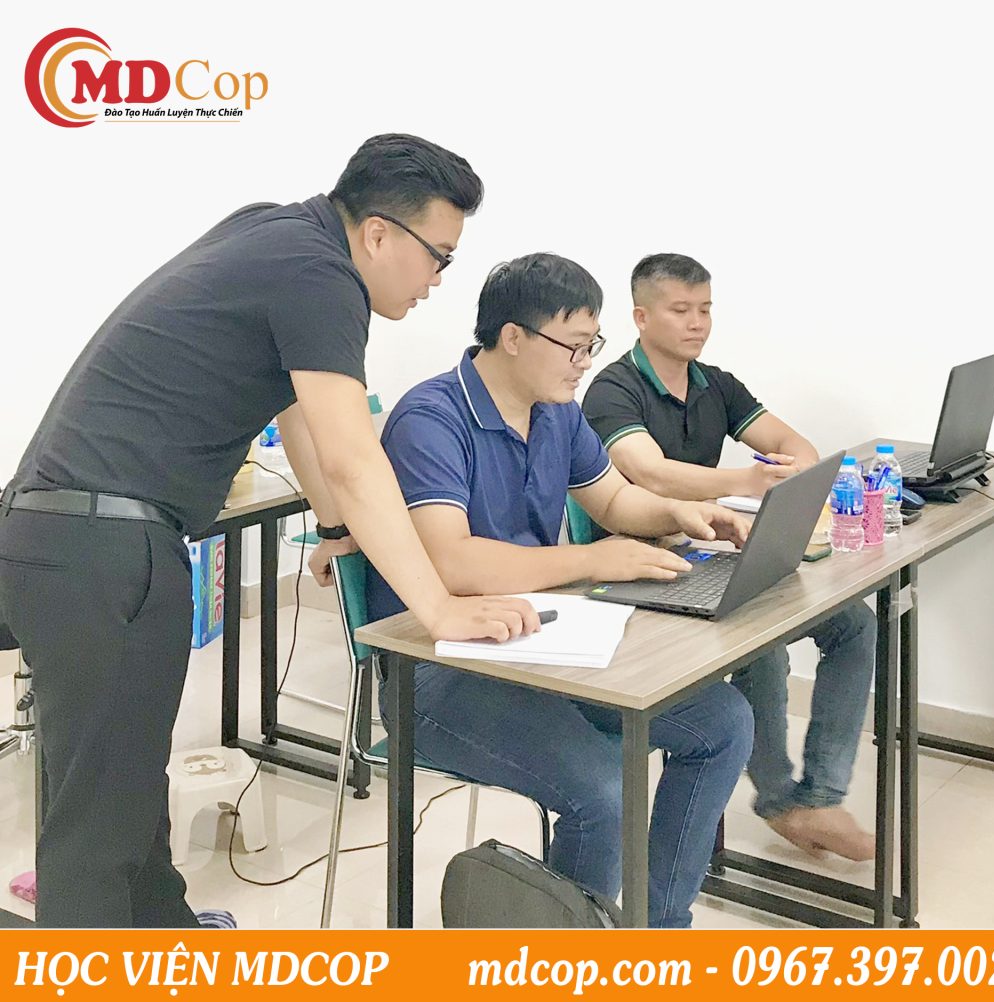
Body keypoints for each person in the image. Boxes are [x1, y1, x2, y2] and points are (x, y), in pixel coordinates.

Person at [0, 134, 538, 928]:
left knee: (126, 796)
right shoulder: (322, 276)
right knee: (97, 838)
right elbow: (353, 455)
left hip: (59, 536)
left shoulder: (273, 231)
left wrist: (332, 523)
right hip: (105, 552)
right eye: (439, 257)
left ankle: (168, 938)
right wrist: (439, 607)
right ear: (379, 233)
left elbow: (295, 410)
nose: (436, 281)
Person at [360, 253, 755, 928]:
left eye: (592, 345)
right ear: (514, 337)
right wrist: (595, 557)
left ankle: (656, 929)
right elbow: (452, 564)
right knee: (603, 790)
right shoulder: (431, 417)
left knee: (722, 723)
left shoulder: (556, 411)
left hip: (542, 644)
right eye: (574, 346)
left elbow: (614, 499)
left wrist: (680, 512)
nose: (585, 363)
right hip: (437, 671)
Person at [583, 253, 876, 861]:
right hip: (638, 565)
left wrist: (792, 466)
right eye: (681, 310)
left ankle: (822, 794)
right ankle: (782, 802)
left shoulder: (715, 382)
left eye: (706, 309)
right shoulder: (613, 388)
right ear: (641, 317)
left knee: (854, 624)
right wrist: (746, 480)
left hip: (707, 548)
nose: (698, 323)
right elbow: (648, 471)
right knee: (760, 644)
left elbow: (791, 441)